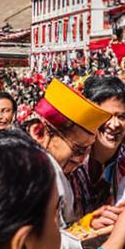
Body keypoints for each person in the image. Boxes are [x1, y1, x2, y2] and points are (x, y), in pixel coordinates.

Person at [22, 79, 111, 225]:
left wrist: (88, 224)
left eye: (88, 150)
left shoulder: (71, 173)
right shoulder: (32, 174)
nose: (81, 160)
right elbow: (47, 243)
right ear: (39, 132)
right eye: (78, 150)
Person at [71, 76, 125, 231]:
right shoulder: (70, 162)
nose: (114, 124)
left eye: (122, 117)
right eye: (106, 115)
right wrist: (86, 225)